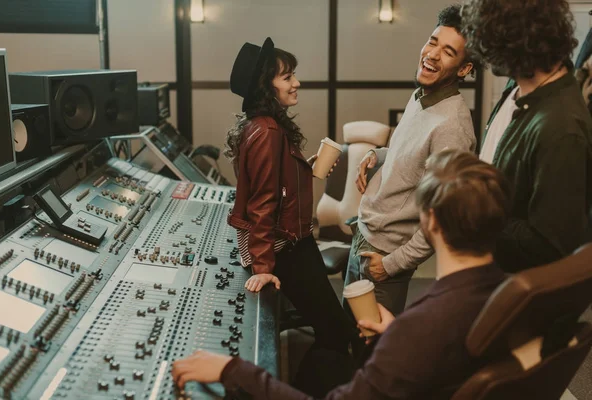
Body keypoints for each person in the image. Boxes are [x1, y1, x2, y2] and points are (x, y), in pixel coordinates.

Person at [171, 149, 510, 399]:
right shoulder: (511, 295)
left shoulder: (419, 328)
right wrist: (394, 332)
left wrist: (234, 370)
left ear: (430, 221)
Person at [223, 38, 356, 359]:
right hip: (284, 247)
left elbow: (268, 183)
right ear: (265, 87)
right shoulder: (268, 132)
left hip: (289, 242)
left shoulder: (260, 125)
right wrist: (264, 267)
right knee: (336, 333)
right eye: (287, 77)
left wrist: (302, 169)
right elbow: (263, 201)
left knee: (333, 326)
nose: (296, 83)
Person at [347, 5, 478, 316]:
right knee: (347, 337)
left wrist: (391, 265)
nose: (432, 54)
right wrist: (375, 155)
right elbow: (410, 158)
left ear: (463, 69)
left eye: (448, 52)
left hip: (385, 256)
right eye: (432, 41)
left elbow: (446, 217)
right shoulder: (421, 95)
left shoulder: (453, 128)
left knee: (371, 356)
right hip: (363, 235)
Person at [461, 0, 592, 271]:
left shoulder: (562, 129)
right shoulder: (518, 86)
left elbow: (550, 244)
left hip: (524, 298)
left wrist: (478, 212)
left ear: (513, 42)